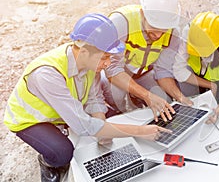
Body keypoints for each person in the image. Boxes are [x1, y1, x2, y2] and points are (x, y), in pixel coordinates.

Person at [3, 13, 171, 182]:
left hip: (62, 110)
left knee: (110, 121)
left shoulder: (90, 63)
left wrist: (102, 126)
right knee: (62, 153)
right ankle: (48, 163)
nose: (108, 64)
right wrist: (140, 131)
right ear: (84, 51)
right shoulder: (46, 74)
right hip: (31, 120)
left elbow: (94, 98)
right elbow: (83, 125)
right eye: (104, 57)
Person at [102, 0, 183, 122]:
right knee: (117, 99)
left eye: (163, 29)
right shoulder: (121, 23)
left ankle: (136, 95)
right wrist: (146, 95)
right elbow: (112, 69)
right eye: (154, 27)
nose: (158, 35)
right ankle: (116, 109)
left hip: (143, 73)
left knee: (166, 102)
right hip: (116, 74)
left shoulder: (173, 32)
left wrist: (181, 98)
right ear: (142, 13)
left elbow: (162, 71)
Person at [158, 11, 219, 123]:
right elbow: (179, 71)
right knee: (190, 93)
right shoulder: (189, 34)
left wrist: (216, 112)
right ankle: (210, 88)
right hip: (201, 72)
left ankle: (218, 87)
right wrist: (210, 85)